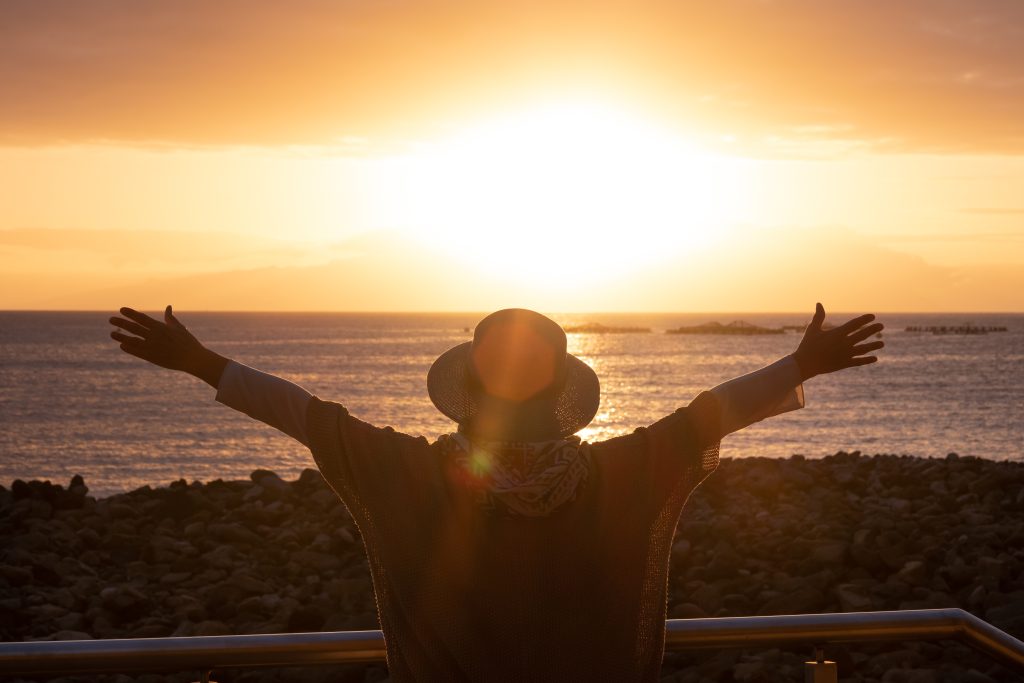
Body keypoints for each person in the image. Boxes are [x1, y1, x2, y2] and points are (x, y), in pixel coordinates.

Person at [109, 304, 883, 682]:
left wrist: (798, 367)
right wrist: (203, 362)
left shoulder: (418, 471)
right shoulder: (608, 473)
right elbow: (305, 412)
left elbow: (707, 414)